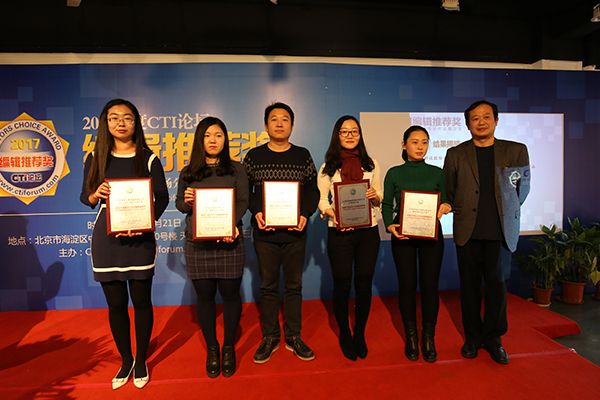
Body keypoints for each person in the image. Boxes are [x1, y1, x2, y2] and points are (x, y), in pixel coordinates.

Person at [80, 99, 168, 389]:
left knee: (141, 302)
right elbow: (85, 197)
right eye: (114, 117)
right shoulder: (95, 157)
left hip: (140, 239)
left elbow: (162, 198)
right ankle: (126, 359)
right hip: (107, 240)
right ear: (105, 123)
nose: (121, 123)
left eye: (128, 117)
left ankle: (141, 359)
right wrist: (96, 194)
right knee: (116, 304)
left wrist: (144, 223)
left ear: (136, 123)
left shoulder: (148, 159)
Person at [444, 100, 530, 365]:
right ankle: (472, 338)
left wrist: (507, 210)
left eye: (486, 117)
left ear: (496, 120)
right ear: (467, 124)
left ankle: (493, 339)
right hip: (467, 231)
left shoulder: (516, 151)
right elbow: (449, 189)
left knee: (497, 289)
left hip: (501, 232)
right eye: (475, 118)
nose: (481, 122)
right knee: (469, 289)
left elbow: (522, 188)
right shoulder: (456, 154)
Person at [244, 102, 319, 364]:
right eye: (274, 119)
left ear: (292, 125)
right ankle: (270, 336)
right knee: (268, 286)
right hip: (265, 233)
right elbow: (246, 192)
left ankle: (294, 335)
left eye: (285, 119)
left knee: (294, 286)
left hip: (295, 233)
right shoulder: (254, 156)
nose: (279, 123)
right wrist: (256, 211)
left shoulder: (302, 155)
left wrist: (305, 213)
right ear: (266, 125)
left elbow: (313, 190)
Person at [176, 117, 249, 378]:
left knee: (230, 294)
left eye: (218, 135)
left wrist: (231, 225)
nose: (213, 140)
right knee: (205, 296)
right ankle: (212, 347)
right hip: (198, 244)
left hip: (229, 241)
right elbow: (180, 205)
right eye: (207, 135)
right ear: (200, 140)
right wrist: (187, 201)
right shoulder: (189, 172)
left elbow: (243, 201)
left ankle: (228, 347)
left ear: (225, 139)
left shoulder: (236, 169)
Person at [382, 126, 452, 363]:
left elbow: (446, 199)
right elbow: (387, 205)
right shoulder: (394, 173)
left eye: (424, 142)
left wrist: (446, 206)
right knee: (407, 286)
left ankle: (428, 337)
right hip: (403, 236)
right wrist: (389, 225)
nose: (420, 147)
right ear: (404, 145)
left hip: (431, 236)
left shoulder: (437, 173)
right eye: (414, 142)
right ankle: (411, 337)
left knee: (430, 286)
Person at [317, 115, 382, 361]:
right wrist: (333, 214)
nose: (350, 135)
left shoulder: (371, 164)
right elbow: (322, 200)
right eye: (345, 131)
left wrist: (375, 196)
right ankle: (345, 333)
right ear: (337, 135)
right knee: (342, 284)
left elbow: (380, 196)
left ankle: (359, 333)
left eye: (354, 131)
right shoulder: (328, 167)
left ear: (360, 135)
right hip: (340, 232)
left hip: (368, 232)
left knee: (364, 284)